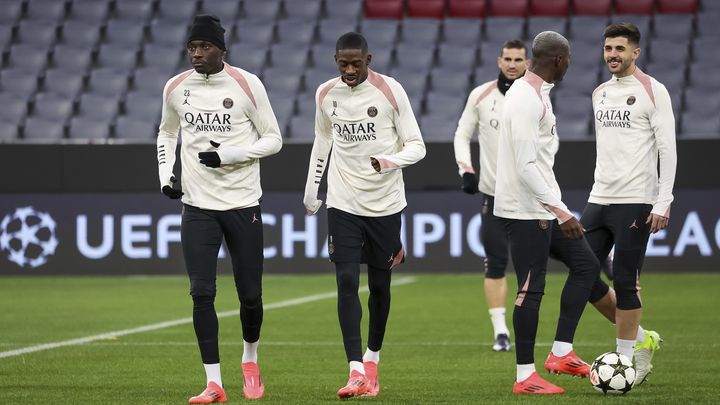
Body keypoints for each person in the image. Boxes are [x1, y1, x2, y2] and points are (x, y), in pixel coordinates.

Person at [156, 15, 282, 403]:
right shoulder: (176, 87)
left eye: (204, 47)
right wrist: (167, 174)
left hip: (243, 204)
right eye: (192, 47)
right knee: (201, 293)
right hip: (197, 207)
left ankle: (249, 358)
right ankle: (214, 383)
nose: (196, 53)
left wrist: (229, 155)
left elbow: (274, 139)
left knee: (250, 296)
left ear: (221, 50)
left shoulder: (247, 84)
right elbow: (167, 131)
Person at [303, 32, 426, 399]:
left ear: (369, 60)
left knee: (379, 287)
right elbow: (322, 141)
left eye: (357, 63)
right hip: (343, 203)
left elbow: (416, 146)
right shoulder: (326, 94)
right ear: (336, 60)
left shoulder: (390, 91)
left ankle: (373, 360)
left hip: (385, 205)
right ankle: (355, 369)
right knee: (344, 280)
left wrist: (388, 161)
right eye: (344, 64)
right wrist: (313, 191)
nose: (350, 70)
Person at [494, 31, 601, 394]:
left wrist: (557, 208)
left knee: (586, 265)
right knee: (531, 288)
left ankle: (561, 352)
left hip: (542, 206)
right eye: (568, 58)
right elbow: (525, 165)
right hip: (525, 210)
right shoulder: (525, 99)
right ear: (558, 59)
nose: (569, 64)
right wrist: (562, 212)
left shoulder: (536, 94)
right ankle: (525, 376)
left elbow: (536, 161)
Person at [584, 22, 676, 386]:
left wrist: (662, 200)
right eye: (608, 48)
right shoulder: (599, 93)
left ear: (635, 52)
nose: (612, 55)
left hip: (637, 200)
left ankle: (625, 361)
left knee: (624, 280)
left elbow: (667, 149)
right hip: (599, 197)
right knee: (584, 274)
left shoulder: (654, 91)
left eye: (620, 49)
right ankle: (642, 338)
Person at [453, 39, 528, 353]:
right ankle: (501, 332)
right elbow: (461, 134)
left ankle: (528, 329)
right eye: (507, 58)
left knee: (530, 269)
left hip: (528, 198)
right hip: (493, 197)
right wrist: (466, 171)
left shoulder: (537, 96)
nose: (512, 64)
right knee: (495, 264)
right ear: (499, 61)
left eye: (518, 59)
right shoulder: (481, 95)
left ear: (528, 63)